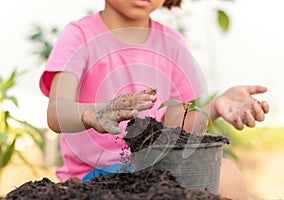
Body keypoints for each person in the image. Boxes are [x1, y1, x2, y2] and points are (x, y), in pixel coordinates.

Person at [39, 0, 270, 199]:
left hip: (155, 170)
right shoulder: (79, 35)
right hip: (93, 176)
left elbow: (175, 129)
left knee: (228, 175)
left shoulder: (173, 44)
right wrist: (91, 113)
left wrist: (215, 107)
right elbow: (57, 112)